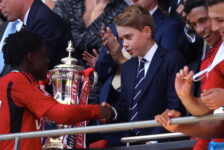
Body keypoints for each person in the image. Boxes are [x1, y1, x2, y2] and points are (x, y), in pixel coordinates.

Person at [0, 30, 114, 150]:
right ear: (31, 57)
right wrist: (98, 111)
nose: (48, 61)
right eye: (44, 55)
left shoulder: (6, 82)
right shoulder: (19, 81)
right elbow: (62, 114)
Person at [102, 5, 185, 146]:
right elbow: (127, 106)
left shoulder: (172, 60)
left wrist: (153, 140)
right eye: (122, 39)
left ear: (147, 31)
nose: (125, 45)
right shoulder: (128, 66)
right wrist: (113, 113)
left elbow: (175, 106)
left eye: (128, 37)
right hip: (130, 142)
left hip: (163, 143)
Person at [155, 0, 224, 148]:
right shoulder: (210, 57)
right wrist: (186, 97)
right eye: (193, 25)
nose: (199, 29)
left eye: (204, 20)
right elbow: (209, 114)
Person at [0, 0, 71, 76]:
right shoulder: (35, 18)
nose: (0, 7)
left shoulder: (43, 22)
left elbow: (32, 71)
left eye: (1, 1)